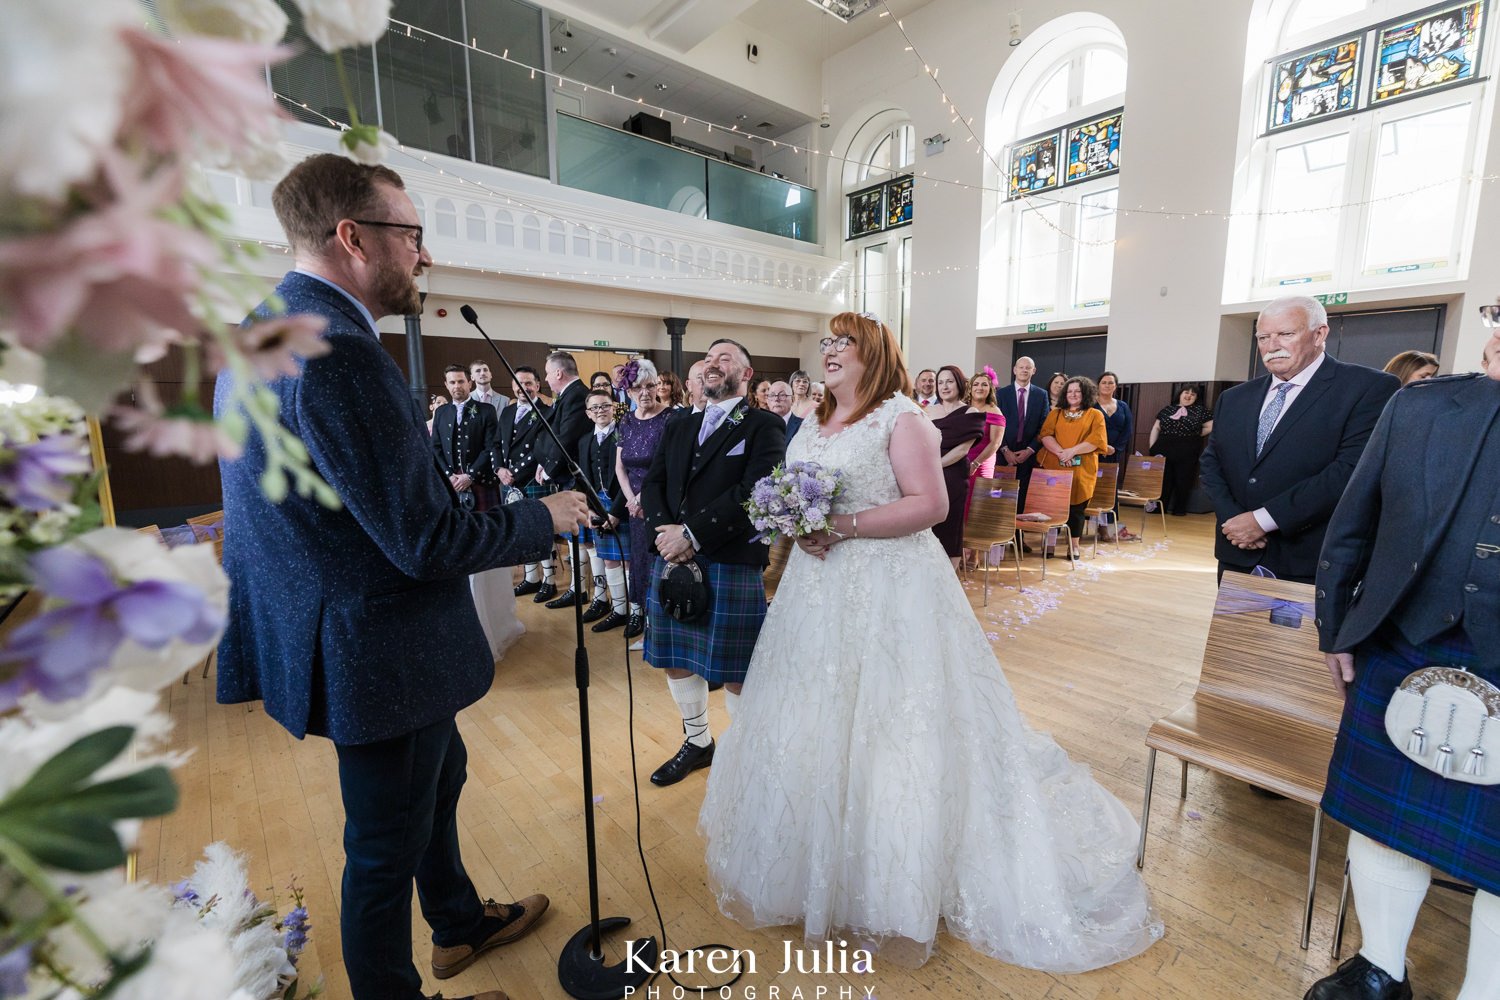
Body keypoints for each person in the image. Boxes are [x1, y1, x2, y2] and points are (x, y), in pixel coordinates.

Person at [215, 153, 590, 1000]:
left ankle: (458, 922)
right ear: (353, 236)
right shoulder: (339, 350)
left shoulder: (264, 325)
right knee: (382, 848)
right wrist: (545, 517)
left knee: (441, 777)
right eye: (412, 234)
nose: (425, 256)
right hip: (377, 645)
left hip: (349, 630)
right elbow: (423, 540)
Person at [698, 311, 1162, 973]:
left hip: (889, 588)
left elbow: (931, 505)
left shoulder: (901, 417)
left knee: (892, 724)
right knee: (815, 712)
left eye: (843, 343)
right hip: (814, 589)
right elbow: (791, 492)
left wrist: (845, 522)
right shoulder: (812, 419)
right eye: (825, 342)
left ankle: (892, 870)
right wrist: (797, 525)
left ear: (874, 354)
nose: (830, 352)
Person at [1308, 312, 1500, 1000]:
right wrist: (1338, 628)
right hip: (1403, 640)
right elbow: (1354, 522)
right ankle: (1380, 967)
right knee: (1384, 819)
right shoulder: (1418, 406)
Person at [640, 339, 785, 786]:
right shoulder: (680, 424)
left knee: (738, 670)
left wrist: (691, 535)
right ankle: (698, 741)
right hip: (672, 555)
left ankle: (745, 752)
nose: (712, 363)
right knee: (676, 658)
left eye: (725, 357)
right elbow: (655, 482)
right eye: (708, 357)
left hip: (729, 558)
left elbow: (755, 491)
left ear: (747, 373)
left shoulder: (763, 425)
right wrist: (667, 533)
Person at [1199, 295, 1398, 583]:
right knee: (1239, 631)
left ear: (1320, 334)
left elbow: (1350, 470)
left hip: (1312, 558)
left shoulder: (1368, 388)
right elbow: (1212, 462)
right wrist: (1235, 523)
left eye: (1286, 334)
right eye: (1263, 337)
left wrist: (1264, 520)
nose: (1272, 345)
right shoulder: (1234, 398)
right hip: (1238, 552)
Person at [610, 360, 671, 640]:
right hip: (634, 506)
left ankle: (662, 626)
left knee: (658, 561)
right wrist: (631, 500)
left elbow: (669, 466)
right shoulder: (627, 420)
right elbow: (619, 467)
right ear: (628, 391)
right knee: (638, 562)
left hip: (660, 502)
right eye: (637, 388)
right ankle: (642, 620)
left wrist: (643, 498)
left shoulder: (670, 418)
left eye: (650, 386)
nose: (645, 393)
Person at [536, 350, 591, 609]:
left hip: (576, 476)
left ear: (559, 372)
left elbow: (566, 437)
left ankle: (581, 591)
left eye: (547, 373)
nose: (546, 379)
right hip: (565, 474)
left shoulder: (577, 395)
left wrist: (549, 469)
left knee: (581, 536)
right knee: (573, 537)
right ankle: (575, 588)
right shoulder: (567, 395)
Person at [496, 367, 557, 601]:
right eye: (519, 383)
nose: (523, 387)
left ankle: (549, 582)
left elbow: (542, 448)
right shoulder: (507, 412)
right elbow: (496, 443)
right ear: (513, 386)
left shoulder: (547, 412)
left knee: (543, 528)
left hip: (531, 478)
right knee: (523, 529)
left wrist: (516, 473)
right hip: (508, 480)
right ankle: (531, 578)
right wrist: (500, 469)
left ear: (538, 385)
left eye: (528, 383)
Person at [1037, 376, 1108, 560]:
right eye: (1069, 391)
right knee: (1053, 507)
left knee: (1076, 508)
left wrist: (1072, 452)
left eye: (1077, 391)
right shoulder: (1056, 413)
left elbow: (1096, 441)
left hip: (1082, 469)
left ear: (1085, 393)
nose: (1073, 394)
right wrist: (1061, 453)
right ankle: (1050, 544)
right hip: (1055, 466)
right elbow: (1045, 435)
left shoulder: (1095, 414)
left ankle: (1073, 546)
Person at [577, 389, 629, 629]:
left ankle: (635, 613)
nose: (600, 411)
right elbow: (584, 479)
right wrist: (590, 509)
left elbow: (631, 477)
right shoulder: (584, 440)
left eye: (605, 406)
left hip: (624, 504)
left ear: (614, 407)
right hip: (597, 505)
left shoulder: (625, 434)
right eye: (595, 408)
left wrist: (617, 512)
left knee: (627, 561)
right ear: (588, 413)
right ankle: (618, 610)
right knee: (608, 560)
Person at [926, 365, 985, 571]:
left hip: (953, 475)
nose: (944, 386)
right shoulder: (928, 411)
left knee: (951, 524)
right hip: (928, 475)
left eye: (949, 381)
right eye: (940, 382)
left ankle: (950, 576)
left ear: (959, 383)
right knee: (928, 523)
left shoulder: (970, 411)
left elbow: (962, 450)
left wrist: (935, 466)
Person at [431, 365, 498, 512]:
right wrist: (449, 476)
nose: (457, 386)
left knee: (488, 527)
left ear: (470, 383)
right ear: (446, 385)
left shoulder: (487, 410)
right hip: (451, 482)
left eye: (461, 381)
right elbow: (435, 447)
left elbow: (491, 447)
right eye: (452, 382)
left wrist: (470, 475)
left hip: (481, 480)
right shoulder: (441, 412)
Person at [996, 356, 1051, 520]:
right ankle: (1000, 534)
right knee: (1000, 495)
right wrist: (1005, 449)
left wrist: (1030, 450)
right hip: (1003, 454)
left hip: (1028, 456)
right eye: (1021, 367)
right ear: (1015, 370)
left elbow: (1044, 426)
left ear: (1033, 371)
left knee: (1023, 496)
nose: (1024, 370)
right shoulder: (1001, 394)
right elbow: (996, 424)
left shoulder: (1041, 395)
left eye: (1028, 368)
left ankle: (1018, 536)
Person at [1147, 385, 1213, 517]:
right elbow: (1156, 428)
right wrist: (1152, 447)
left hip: (1187, 448)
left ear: (1196, 398)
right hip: (1164, 446)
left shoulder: (1201, 411)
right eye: (1186, 392)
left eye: (1192, 394)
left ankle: (1179, 509)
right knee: (1164, 479)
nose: (1188, 396)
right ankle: (1159, 507)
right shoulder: (1168, 409)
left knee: (1183, 479)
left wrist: (1194, 435)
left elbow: (1210, 426)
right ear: (1180, 394)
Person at [1095, 371, 1134, 540]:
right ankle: (1088, 527)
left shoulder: (1123, 406)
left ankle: (1106, 528)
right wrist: (1101, 447)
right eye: (1104, 382)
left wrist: (1115, 449)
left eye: (1111, 383)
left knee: (1109, 491)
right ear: (1098, 385)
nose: (1107, 385)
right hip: (1094, 453)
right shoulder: (1090, 404)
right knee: (1092, 490)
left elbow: (1127, 430)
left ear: (1115, 386)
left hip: (1114, 455)